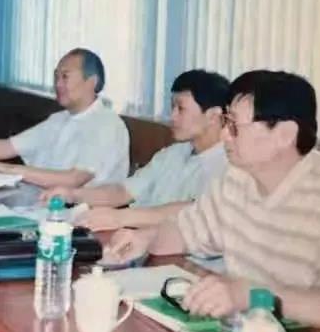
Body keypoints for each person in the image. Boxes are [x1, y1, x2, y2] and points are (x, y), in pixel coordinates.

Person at [103, 70, 320, 332]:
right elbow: (188, 231)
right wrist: (145, 238)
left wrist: (254, 295)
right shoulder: (237, 180)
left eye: (234, 125)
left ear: (285, 134)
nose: (225, 136)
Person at [42, 70, 229, 232]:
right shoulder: (173, 154)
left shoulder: (227, 164)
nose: (172, 116)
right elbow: (123, 191)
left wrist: (120, 217)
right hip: (135, 239)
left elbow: (193, 210)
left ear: (213, 116)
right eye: (172, 107)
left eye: (181, 109)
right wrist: (73, 195)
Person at [0, 48, 129, 189]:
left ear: (91, 82)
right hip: (43, 203)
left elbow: (74, 179)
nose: (58, 84)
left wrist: (6, 169)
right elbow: (7, 147)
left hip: (85, 217)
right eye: (56, 77)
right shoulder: (59, 120)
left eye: (65, 77)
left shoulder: (106, 124)